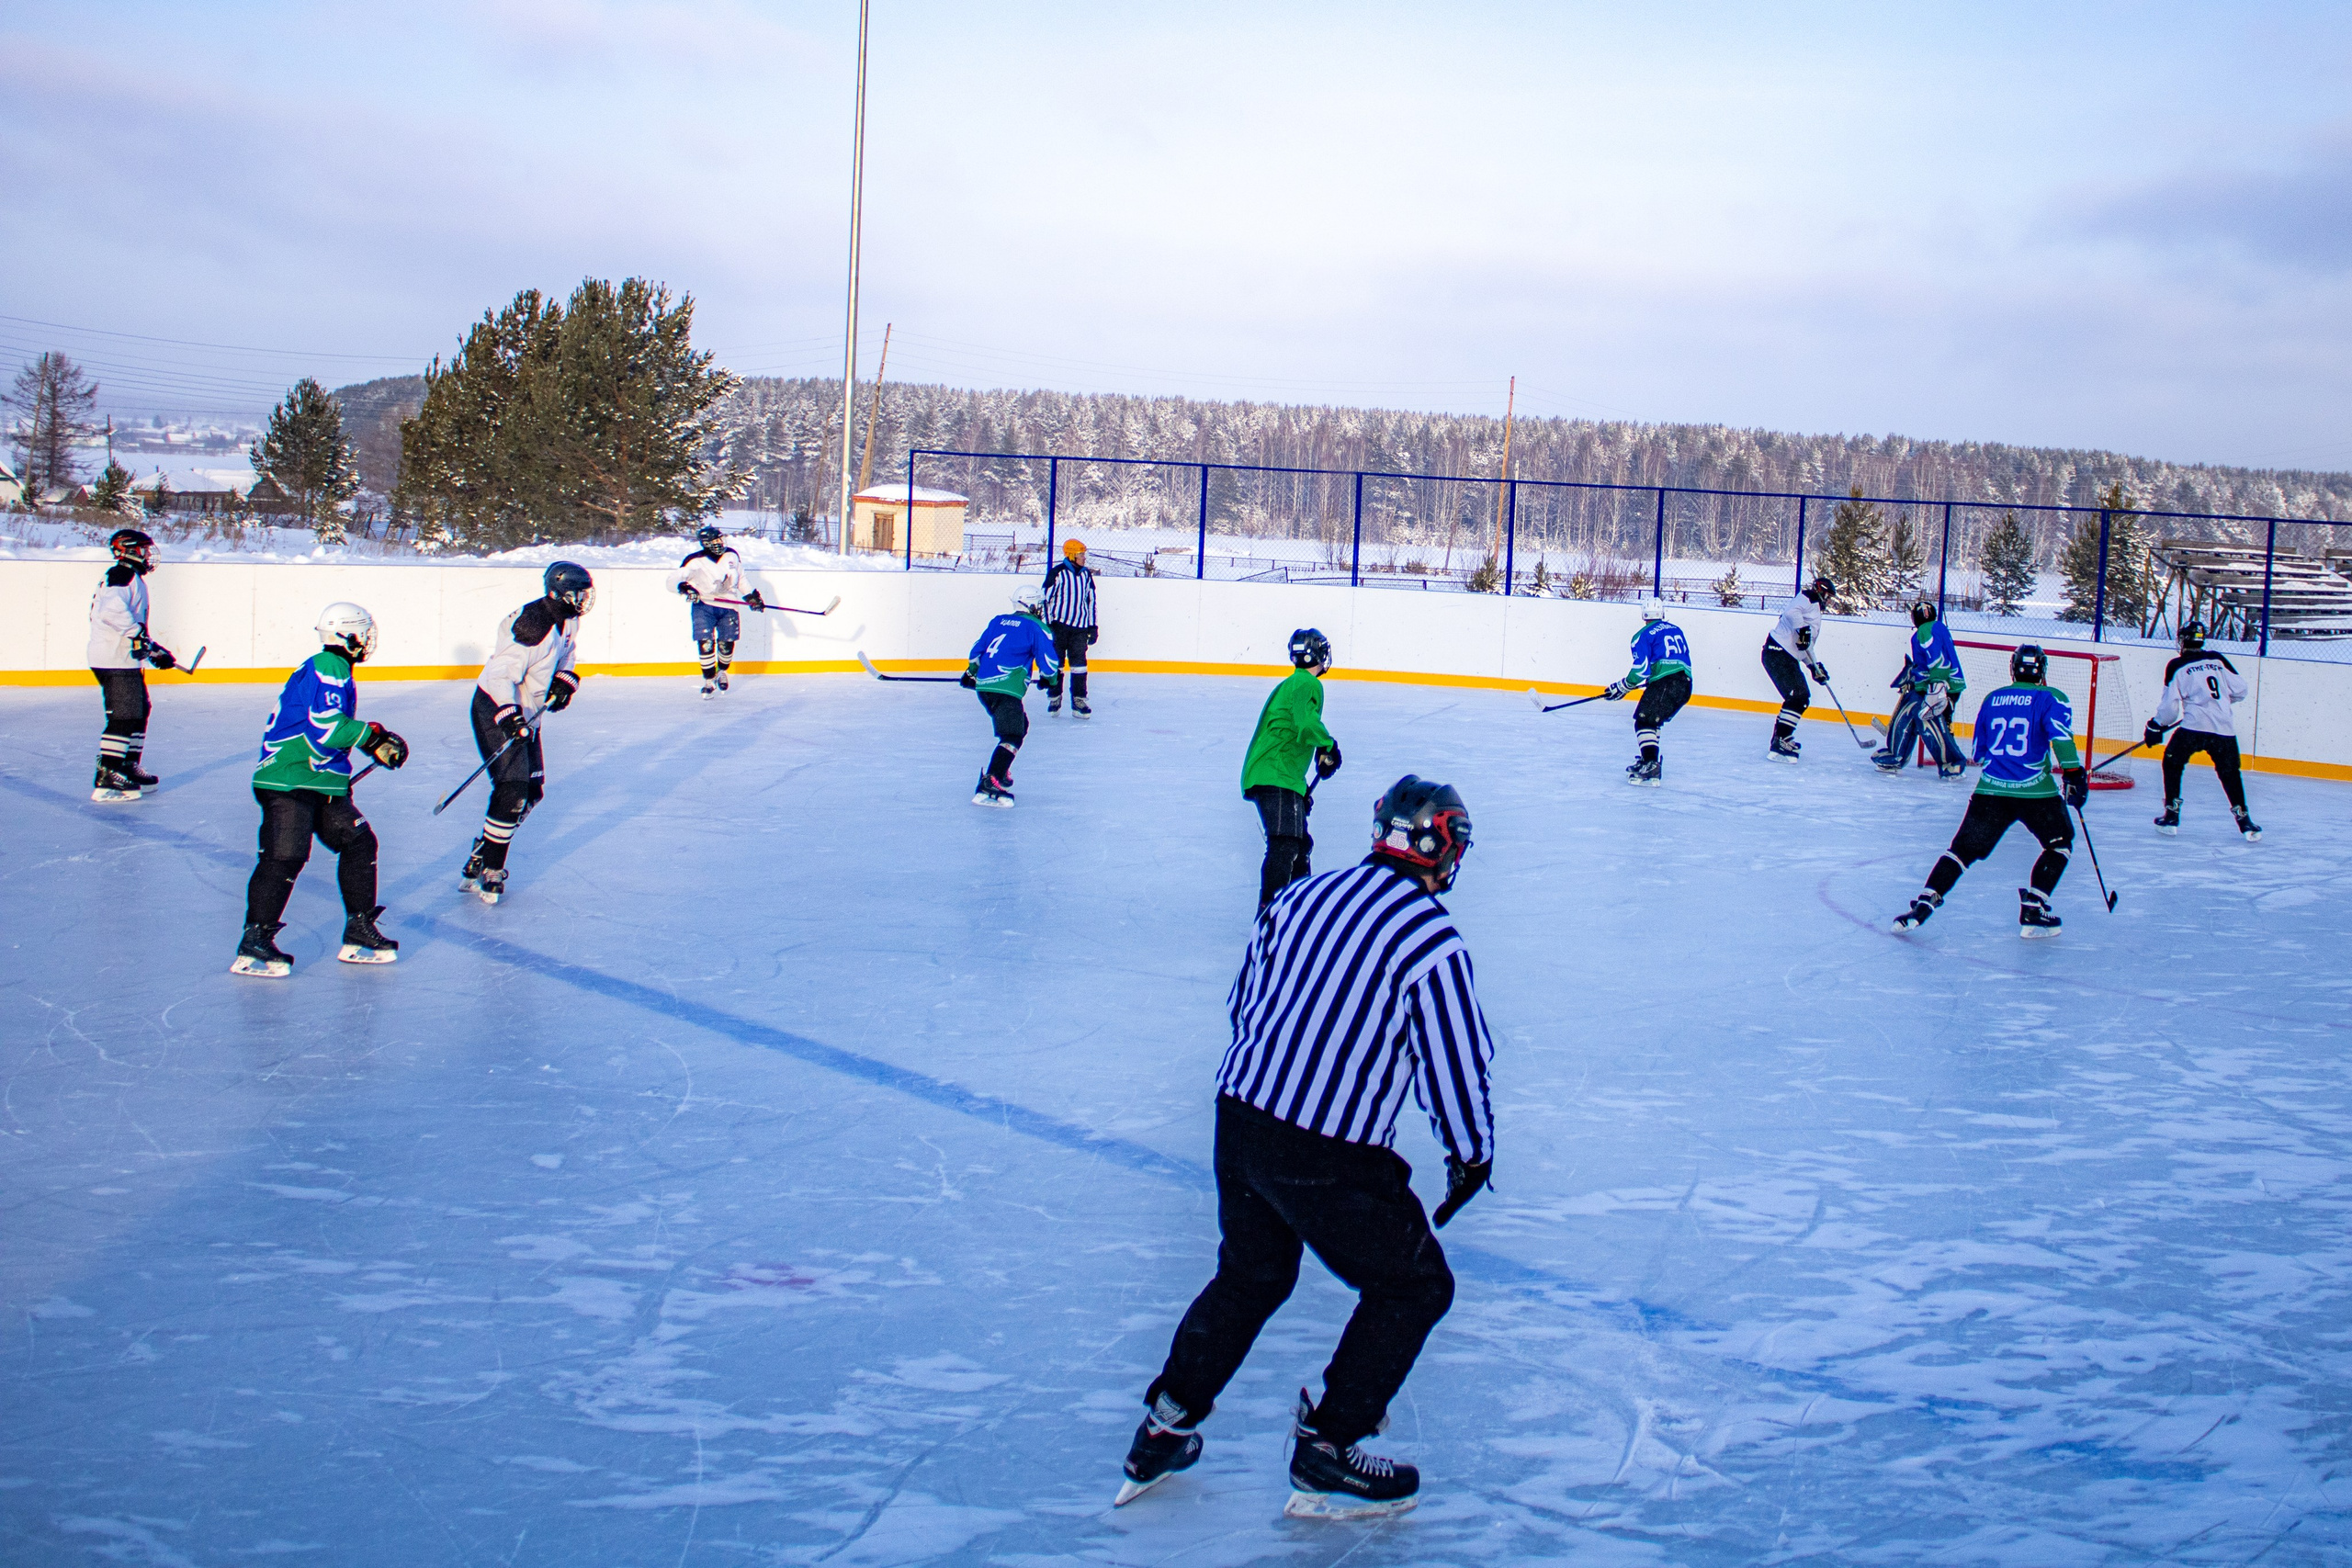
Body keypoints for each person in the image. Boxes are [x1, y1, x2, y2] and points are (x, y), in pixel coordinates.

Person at [1118, 775, 1494, 1520]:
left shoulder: (1298, 896)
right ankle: (1329, 1446)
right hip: (1327, 1148)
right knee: (1416, 1285)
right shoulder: (1430, 938)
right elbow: (1456, 1062)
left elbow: (1243, 1002)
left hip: (1241, 1116)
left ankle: (1163, 1427)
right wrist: (1471, 1153)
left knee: (1252, 1274)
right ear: (1441, 845)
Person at [232, 604, 410, 977]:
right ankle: (255, 943)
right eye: (364, 633)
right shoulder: (329, 666)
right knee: (285, 856)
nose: (368, 641)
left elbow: (330, 728)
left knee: (359, 843)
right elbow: (327, 727)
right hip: (290, 780)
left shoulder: (332, 668)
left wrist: (370, 739)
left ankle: (359, 930)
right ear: (350, 636)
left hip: (320, 782)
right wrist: (372, 736)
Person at [1892, 644, 2087, 938]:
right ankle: (2034, 905)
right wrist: (2074, 774)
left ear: (2014, 668)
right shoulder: (2052, 697)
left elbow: (1980, 750)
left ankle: (1924, 903)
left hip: (1990, 792)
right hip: (2037, 793)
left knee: (1960, 852)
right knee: (2059, 844)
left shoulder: (1993, 698)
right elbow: (2061, 738)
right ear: (2042, 670)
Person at [459, 561, 594, 903]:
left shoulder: (568, 619)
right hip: (496, 707)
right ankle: (490, 868)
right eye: (580, 593)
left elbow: (568, 653)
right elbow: (499, 674)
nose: (586, 599)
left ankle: (483, 851)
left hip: (527, 712)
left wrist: (565, 678)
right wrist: (508, 714)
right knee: (512, 789)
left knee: (532, 792)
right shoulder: (534, 627)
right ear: (559, 593)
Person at [1240, 628, 1340, 909]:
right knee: (1285, 844)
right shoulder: (1308, 684)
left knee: (1298, 844)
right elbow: (1306, 723)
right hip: (1276, 775)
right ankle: (1270, 914)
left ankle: (1298, 910)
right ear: (1319, 655)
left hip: (1278, 775)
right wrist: (1328, 744)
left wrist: (1298, 791)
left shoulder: (1294, 683)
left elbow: (1295, 726)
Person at [86, 527, 176, 802]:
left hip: (122, 658)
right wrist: (143, 640)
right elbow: (112, 613)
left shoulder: (130, 576)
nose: (148, 555)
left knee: (139, 711)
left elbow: (131, 625)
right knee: (125, 715)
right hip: (113, 658)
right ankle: (108, 774)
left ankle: (127, 764)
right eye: (144, 550)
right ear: (129, 550)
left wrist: (152, 649)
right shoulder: (122, 574)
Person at [2146, 622, 2259, 841]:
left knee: (2172, 762)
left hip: (2194, 728)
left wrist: (2155, 725)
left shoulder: (2176, 665)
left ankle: (2171, 815)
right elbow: (2241, 690)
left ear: (2183, 640)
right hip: (2224, 729)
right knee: (2230, 773)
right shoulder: (2217, 658)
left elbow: (2170, 708)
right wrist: (2220, 705)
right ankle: (2245, 822)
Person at [961, 592, 1059, 807]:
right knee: (1013, 734)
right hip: (1006, 689)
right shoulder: (1036, 626)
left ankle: (1001, 770)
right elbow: (1049, 660)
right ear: (1031, 604)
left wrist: (971, 673)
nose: (1040, 609)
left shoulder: (997, 621)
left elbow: (976, 653)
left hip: (985, 688)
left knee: (1021, 725)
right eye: (1038, 604)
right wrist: (1050, 679)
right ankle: (991, 780)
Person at [1872, 599, 1968, 778]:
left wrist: (1936, 688)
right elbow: (1925, 663)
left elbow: (1938, 660)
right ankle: (1896, 756)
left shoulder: (1925, 631)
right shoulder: (1938, 627)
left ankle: (1952, 764)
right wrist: (1914, 680)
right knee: (1908, 712)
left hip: (1938, 688)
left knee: (1928, 720)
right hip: (1935, 686)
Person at [1608, 599, 1693, 785]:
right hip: (1685, 685)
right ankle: (1649, 762)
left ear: (1643, 615)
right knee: (1653, 722)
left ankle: (1651, 763)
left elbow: (1641, 670)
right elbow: (1678, 662)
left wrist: (1623, 686)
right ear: (1662, 613)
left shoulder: (1642, 635)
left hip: (1665, 683)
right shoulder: (1676, 629)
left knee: (1643, 721)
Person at [673, 523, 761, 698]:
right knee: (705, 642)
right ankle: (708, 680)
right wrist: (686, 588)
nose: (721, 542)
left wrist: (752, 597)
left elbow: (741, 579)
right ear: (707, 543)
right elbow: (678, 580)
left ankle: (722, 672)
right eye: (717, 539)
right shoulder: (694, 560)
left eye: (721, 538)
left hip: (728, 607)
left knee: (726, 644)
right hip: (704, 606)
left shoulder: (732, 555)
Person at [1761, 575, 1834, 761]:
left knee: (1800, 698)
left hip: (1785, 656)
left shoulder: (1815, 611)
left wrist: (1814, 667)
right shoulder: (1808, 597)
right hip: (1778, 652)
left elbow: (1804, 647)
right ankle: (1781, 740)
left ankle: (1781, 739)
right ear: (1821, 591)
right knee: (1798, 696)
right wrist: (1802, 629)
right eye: (1828, 596)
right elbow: (1791, 613)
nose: (1829, 600)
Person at [1040, 537, 1099, 716]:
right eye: (1081, 554)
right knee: (1056, 664)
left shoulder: (1086, 574)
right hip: (1059, 627)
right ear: (1072, 555)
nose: (1084, 557)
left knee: (1079, 665)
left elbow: (1091, 601)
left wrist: (1093, 626)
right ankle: (1055, 697)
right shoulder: (1057, 573)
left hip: (1080, 628)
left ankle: (1079, 701)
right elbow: (1045, 599)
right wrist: (1049, 625)